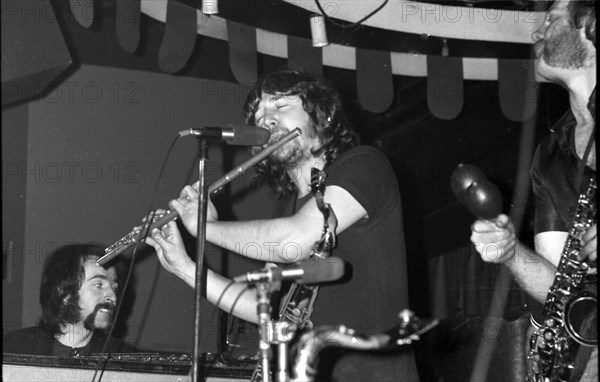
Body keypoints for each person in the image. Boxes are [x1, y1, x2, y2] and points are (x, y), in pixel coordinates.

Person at [145, 71, 420, 381]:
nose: (267, 120)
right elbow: (269, 309)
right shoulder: (287, 207)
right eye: (260, 115)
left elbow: (295, 241)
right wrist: (184, 266)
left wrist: (206, 228)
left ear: (325, 114)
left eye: (281, 106)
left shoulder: (364, 165)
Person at [470, 0, 596, 380]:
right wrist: (509, 252)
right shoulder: (550, 153)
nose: (537, 33)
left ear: (589, 24)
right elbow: (557, 287)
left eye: (551, 20)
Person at [3, 243, 135, 356]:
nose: (112, 296)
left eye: (114, 287)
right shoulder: (11, 349)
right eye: (98, 284)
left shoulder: (122, 357)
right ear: (64, 292)